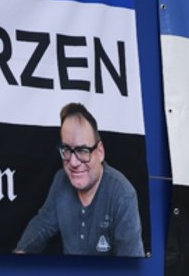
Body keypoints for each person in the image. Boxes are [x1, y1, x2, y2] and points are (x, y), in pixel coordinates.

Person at [15, 103, 144, 258]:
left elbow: (130, 266)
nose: (74, 163)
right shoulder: (60, 180)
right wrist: (20, 253)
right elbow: (42, 225)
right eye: (67, 150)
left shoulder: (122, 194)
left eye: (83, 151)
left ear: (100, 152)